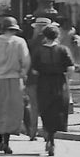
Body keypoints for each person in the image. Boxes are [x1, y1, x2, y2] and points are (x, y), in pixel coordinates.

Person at [0, 17, 30, 154]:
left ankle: (0, 140)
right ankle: (6, 142)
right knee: (11, 110)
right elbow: (26, 61)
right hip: (14, 79)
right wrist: (22, 72)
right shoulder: (20, 42)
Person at [32, 23, 76, 156]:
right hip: (59, 82)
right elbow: (70, 68)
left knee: (45, 109)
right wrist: (67, 79)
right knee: (58, 109)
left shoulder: (38, 50)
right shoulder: (63, 50)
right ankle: (52, 137)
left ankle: (48, 136)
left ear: (44, 36)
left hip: (44, 82)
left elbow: (34, 70)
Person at [23, 12, 54, 141]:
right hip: (47, 78)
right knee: (47, 106)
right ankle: (47, 132)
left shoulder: (30, 42)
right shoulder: (51, 44)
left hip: (32, 78)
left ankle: (33, 131)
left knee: (34, 106)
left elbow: (26, 60)